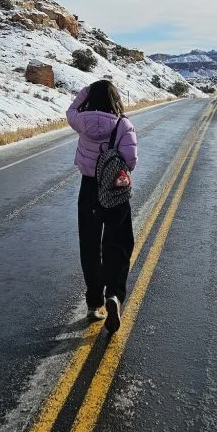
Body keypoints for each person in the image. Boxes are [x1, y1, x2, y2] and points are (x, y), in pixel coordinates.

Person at [66, 80, 138, 333]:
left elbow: (70, 111)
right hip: (116, 191)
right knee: (118, 243)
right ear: (114, 99)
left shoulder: (82, 121)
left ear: (90, 98)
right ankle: (114, 296)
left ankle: (94, 302)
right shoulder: (123, 125)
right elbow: (130, 161)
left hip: (89, 190)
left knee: (90, 244)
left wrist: (84, 92)